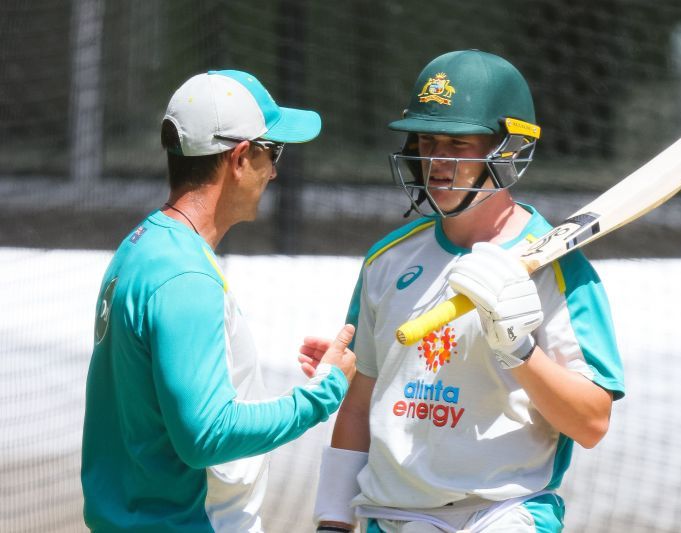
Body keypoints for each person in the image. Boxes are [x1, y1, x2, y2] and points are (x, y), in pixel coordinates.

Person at [303, 50, 625, 532]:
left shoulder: (560, 270)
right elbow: (360, 400)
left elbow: (591, 423)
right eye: (427, 140)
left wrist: (520, 349)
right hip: (390, 515)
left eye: (457, 142)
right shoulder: (386, 261)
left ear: (508, 149)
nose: (435, 160)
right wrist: (332, 519)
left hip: (503, 514)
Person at [81, 69, 356, 532]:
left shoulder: (143, 245)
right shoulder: (185, 276)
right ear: (240, 158)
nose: (274, 170)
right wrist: (321, 394)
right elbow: (206, 436)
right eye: (273, 153)